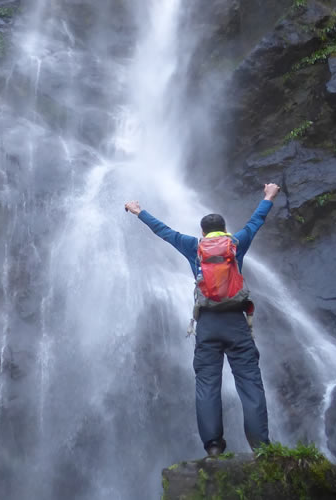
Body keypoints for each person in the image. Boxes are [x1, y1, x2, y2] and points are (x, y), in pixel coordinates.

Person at [124, 183, 280, 457]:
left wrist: (139, 211)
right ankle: (261, 448)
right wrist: (268, 196)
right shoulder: (236, 244)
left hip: (207, 324)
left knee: (207, 384)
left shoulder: (193, 246)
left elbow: (164, 231)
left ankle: (214, 447)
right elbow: (257, 221)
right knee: (250, 383)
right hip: (236, 322)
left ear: (203, 232)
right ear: (224, 229)